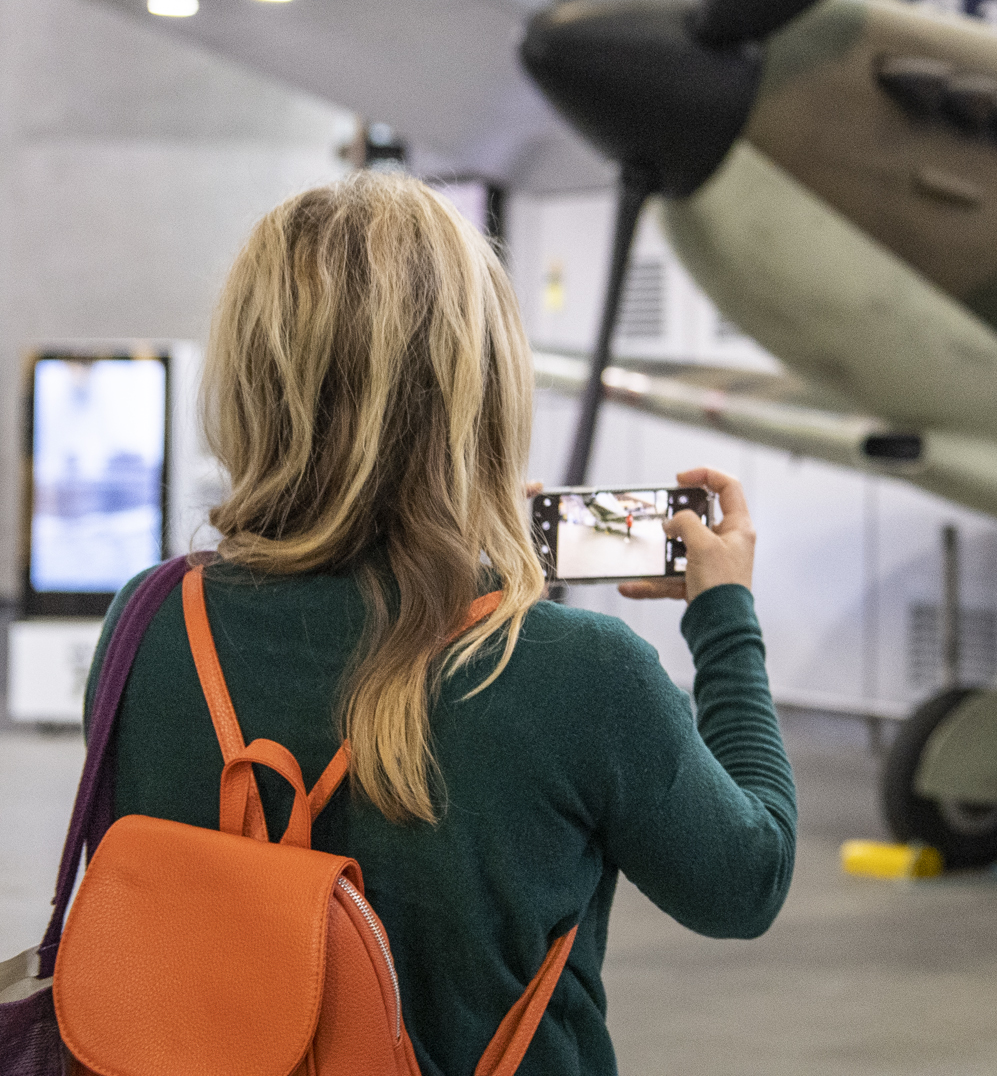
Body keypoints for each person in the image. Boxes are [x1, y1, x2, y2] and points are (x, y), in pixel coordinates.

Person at [87, 171, 796, 1075]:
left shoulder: (147, 622)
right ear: (483, 389)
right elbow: (746, 882)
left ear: (251, 378)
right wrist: (725, 614)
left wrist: (481, 573)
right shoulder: (582, 673)